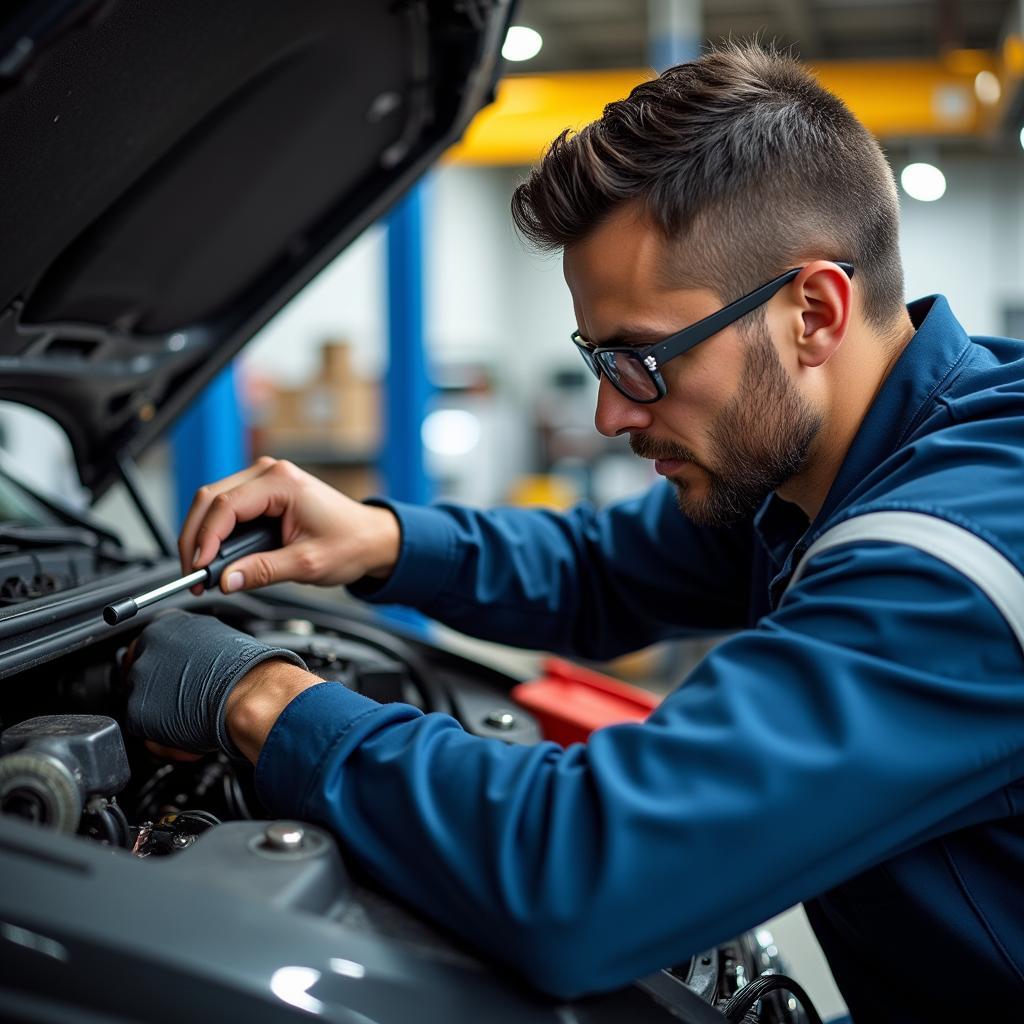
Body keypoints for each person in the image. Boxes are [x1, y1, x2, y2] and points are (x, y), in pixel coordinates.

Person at [125, 44, 1024, 1021]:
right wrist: (382, 537)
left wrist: (259, 696)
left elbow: (584, 873)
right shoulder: (822, 472)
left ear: (812, 312)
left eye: (641, 359)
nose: (607, 414)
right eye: (597, 358)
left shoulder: (953, 550)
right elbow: (603, 569)